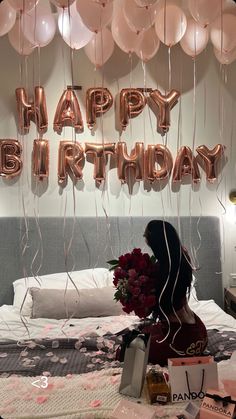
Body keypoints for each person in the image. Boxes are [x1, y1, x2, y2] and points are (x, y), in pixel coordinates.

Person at [142, 220, 208, 366]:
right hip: (199, 333)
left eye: (145, 235)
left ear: (154, 241)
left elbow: (147, 312)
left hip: (181, 342)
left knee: (128, 348)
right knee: (145, 331)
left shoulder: (161, 272)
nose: (144, 238)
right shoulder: (182, 258)